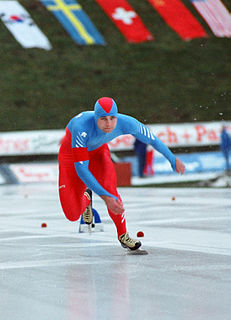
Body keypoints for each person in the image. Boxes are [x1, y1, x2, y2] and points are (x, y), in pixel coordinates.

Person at [58, 97, 185, 251]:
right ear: (95, 118)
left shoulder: (127, 122)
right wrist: (104, 198)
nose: (109, 124)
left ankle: (123, 235)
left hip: (99, 153)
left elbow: (152, 139)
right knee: (72, 214)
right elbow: (82, 169)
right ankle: (86, 199)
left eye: (112, 118)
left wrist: (172, 158)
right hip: (71, 158)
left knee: (112, 191)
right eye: (103, 119)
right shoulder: (81, 127)